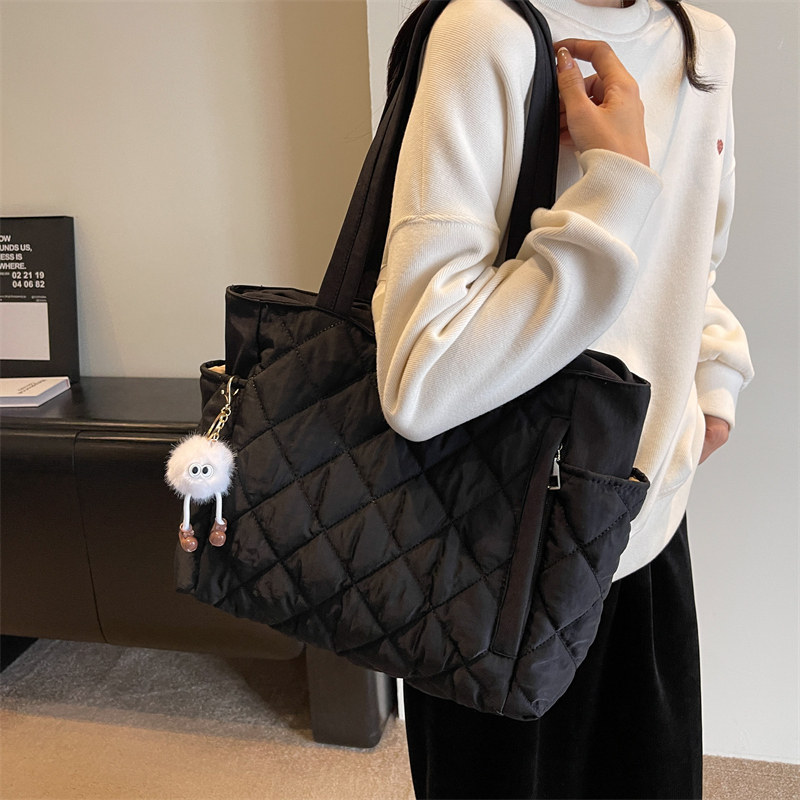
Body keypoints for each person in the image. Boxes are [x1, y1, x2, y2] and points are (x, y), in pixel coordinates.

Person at [371, 0, 755, 798]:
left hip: (646, 526)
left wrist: (715, 376)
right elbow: (421, 378)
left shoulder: (704, 46)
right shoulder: (485, 32)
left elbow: (693, 255)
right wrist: (614, 185)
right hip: (491, 556)